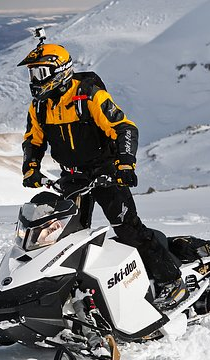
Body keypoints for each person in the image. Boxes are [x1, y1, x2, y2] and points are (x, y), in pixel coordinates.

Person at [17, 36, 188, 310]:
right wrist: (31, 168)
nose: (35, 79)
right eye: (32, 73)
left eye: (40, 72)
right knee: (64, 238)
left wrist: (125, 164)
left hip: (105, 174)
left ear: (59, 71)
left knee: (128, 229)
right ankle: (71, 293)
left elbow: (124, 128)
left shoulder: (89, 95)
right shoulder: (40, 106)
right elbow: (34, 140)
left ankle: (171, 281)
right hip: (71, 178)